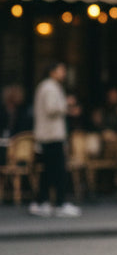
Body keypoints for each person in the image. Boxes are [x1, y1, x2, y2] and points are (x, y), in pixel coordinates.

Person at [29, 62, 80, 217]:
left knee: (49, 171)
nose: (63, 73)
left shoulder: (46, 86)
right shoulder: (50, 87)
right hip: (51, 135)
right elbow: (51, 109)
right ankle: (58, 203)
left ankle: (42, 202)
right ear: (52, 72)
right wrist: (67, 105)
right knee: (58, 170)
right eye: (61, 70)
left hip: (48, 135)